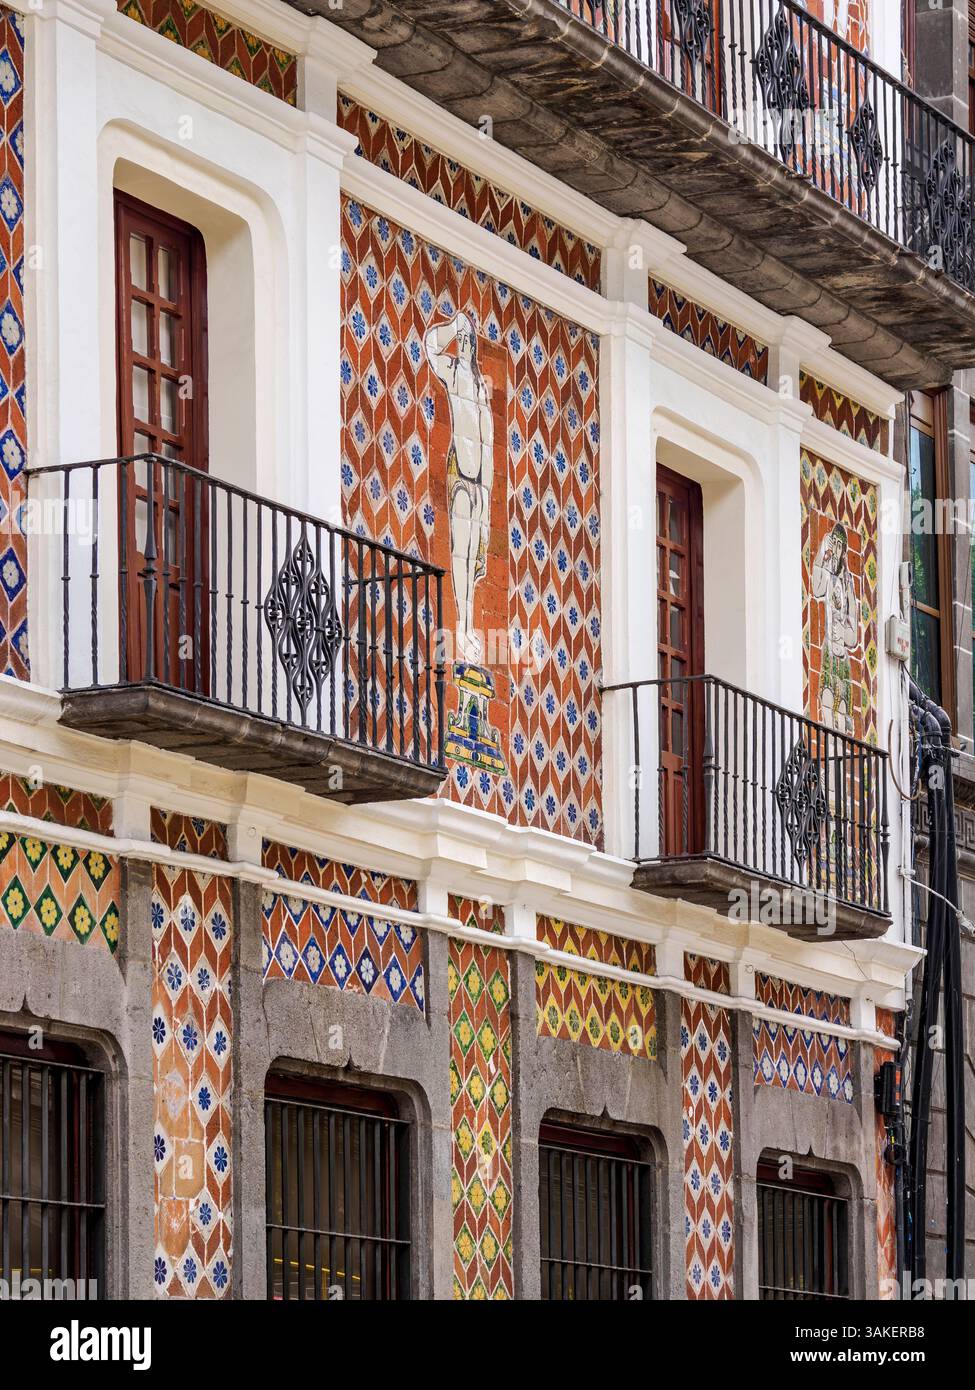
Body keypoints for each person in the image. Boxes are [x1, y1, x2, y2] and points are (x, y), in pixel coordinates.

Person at [424, 311, 493, 667]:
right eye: (461, 341)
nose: (464, 345)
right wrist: (453, 326)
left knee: (471, 557)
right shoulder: (452, 373)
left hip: (479, 483)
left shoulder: (482, 388)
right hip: (461, 476)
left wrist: (488, 505)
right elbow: (429, 348)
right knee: (460, 555)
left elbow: (489, 444)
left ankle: (467, 627)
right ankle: (462, 627)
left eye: (468, 339)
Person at [811, 522, 859, 734]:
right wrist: (822, 554)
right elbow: (816, 588)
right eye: (835, 543)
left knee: (842, 710)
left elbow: (853, 639)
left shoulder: (848, 583)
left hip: (843, 659)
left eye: (841, 546)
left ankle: (837, 762)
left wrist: (844, 632)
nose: (837, 550)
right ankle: (827, 760)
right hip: (829, 652)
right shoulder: (828, 577)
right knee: (827, 700)